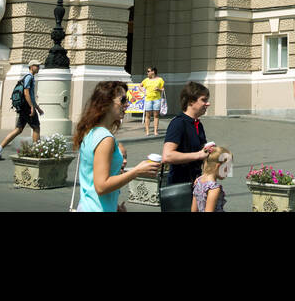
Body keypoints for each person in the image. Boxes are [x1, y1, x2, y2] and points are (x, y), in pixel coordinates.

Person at [73, 81, 160, 212]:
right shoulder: (105, 138)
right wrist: (136, 171)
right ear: (106, 103)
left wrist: (114, 207)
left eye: (128, 100)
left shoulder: (91, 132)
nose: (127, 104)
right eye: (123, 100)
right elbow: (101, 186)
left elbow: (92, 181)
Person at [163, 80, 215, 198]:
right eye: (204, 100)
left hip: (195, 185)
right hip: (179, 187)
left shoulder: (197, 124)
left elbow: (201, 152)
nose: (208, 104)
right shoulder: (178, 123)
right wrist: (199, 155)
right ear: (191, 101)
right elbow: (167, 156)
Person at [0, 62, 42, 159]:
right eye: (37, 66)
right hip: (27, 108)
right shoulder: (29, 77)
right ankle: (37, 152)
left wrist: (37, 108)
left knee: (18, 130)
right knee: (36, 128)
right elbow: (26, 93)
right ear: (31, 67)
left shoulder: (28, 77)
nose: (38, 68)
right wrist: (32, 107)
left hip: (24, 107)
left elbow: (31, 96)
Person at [192, 145, 230, 212]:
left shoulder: (198, 182)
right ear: (219, 166)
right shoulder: (214, 189)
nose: (229, 171)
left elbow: (194, 210)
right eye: (227, 167)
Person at [141, 66, 165, 137]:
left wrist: (159, 89)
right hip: (148, 99)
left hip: (157, 99)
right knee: (147, 115)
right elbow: (140, 86)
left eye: (148, 71)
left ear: (153, 72)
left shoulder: (160, 80)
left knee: (156, 115)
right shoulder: (146, 80)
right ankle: (147, 131)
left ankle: (155, 131)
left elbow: (163, 89)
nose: (147, 73)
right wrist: (143, 92)